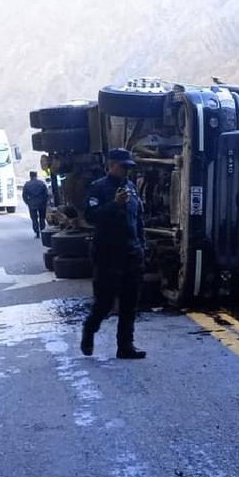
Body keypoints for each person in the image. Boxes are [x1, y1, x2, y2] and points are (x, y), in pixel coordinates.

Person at [80, 149, 146, 360]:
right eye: (123, 166)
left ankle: (125, 346)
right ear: (112, 165)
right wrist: (114, 205)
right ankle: (89, 329)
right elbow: (90, 217)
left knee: (129, 303)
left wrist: (142, 247)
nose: (126, 171)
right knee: (105, 303)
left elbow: (139, 220)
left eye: (129, 168)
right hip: (107, 256)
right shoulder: (98, 188)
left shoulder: (131, 188)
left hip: (131, 253)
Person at [22, 170, 50, 238]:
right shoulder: (41, 183)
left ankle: (37, 232)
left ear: (30, 176)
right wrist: (45, 201)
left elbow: (24, 195)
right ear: (36, 175)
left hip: (32, 204)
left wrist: (28, 202)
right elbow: (46, 194)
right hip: (41, 203)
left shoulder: (27, 185)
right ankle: (43, 231)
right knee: (42, 218)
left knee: (34, 219)